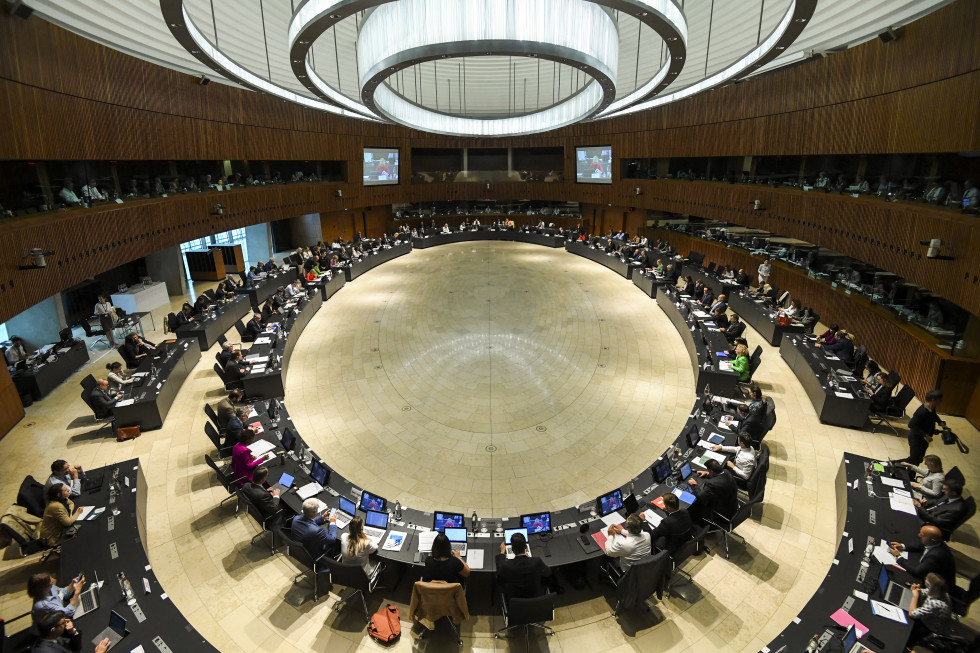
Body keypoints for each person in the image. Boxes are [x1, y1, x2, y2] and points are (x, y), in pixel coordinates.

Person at [888, 525, 956, 589]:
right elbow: (921, 544)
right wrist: (902, 546)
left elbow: (917, 572)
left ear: (932, 540)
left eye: (922, 535)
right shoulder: (936, 542)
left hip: (937, 587)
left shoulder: (934, 557)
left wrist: (898, 556)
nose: (919, 535)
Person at [495, 532, 552, 601]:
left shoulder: (507, 566)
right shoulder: (536, 561)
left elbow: (500, 576)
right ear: (525, 546)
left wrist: (502, 553)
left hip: (515, 601)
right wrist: (530, 559)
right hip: (536, 599)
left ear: (512, 549)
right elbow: (548, 572)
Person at [687, 460, 738, 525]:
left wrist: (694, 485)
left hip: (723, 512)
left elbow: (701, 497)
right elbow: (720, 477)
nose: (707, 471)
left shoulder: (711, 484)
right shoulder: (727, 472)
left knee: (694, 506)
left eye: (708, 470)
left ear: (712, 471)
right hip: (733, 505)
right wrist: (707, 474)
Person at [907, 573, 954, 644]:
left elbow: (912, 614)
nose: (927, 587)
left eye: (928, 585)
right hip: (931, 620)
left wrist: (915, 596)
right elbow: (925, 592)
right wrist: (918, 591)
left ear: (933, 588)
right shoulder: (942, 592)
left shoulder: (935, 604)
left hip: (930, 630)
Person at [903, 390, 946, 466]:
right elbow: (911, 424)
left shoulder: (932, 408)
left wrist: (940, 422)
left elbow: (934, 415)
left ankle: (909, 476)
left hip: (924, 439)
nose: (941, 402)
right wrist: (925, 435)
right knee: (913, 460)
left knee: (918, 460)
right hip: (916, 438)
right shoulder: (922, 411)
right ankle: (892, 464)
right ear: (933, 400)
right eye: (940, 400)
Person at [33, 612, 110, 653]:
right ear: (53, 629)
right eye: (63, 622)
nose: (67, 623)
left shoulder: (49, 636)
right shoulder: (48, 651)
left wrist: (72, 632)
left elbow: (75, 648)